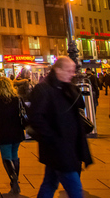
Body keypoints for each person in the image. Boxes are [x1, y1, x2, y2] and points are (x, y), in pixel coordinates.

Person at [29, 56, 92, 198]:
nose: (73, 74)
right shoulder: (43, 89)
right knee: (75, 189)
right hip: (60, 149)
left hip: (67, 148)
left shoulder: (68, 88)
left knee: (50, 183)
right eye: (69, 71)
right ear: (58, 70)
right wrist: (54, 139)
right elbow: (36, 118)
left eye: (73, 71)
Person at [0, 77, 25, 194]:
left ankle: (13, 179)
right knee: (15, 155)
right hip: (17, 132)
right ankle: (15, 180)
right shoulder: (16, 98)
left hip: (4, 132)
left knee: (6, 157)